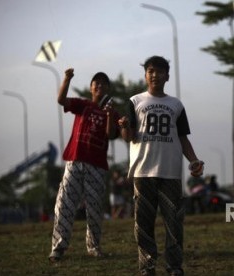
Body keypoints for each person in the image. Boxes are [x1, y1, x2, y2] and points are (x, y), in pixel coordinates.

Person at [119, 56, 203, 276]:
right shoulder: (135, 101)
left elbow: (182, 138)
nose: (154, 75)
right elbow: (129, 136)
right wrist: (125, 127)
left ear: (167, 75)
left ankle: (174, 267)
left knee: (174, 222)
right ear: (146, 75)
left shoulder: (176, 105)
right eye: (150, 71)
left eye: (159, 71)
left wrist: (193, 160)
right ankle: (147, 267)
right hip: (143, 171)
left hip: (170, 172)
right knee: (143, 224)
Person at [48, 68, 120, 262]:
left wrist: (110, 116)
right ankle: (58, 247)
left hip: (96, 165)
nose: (99, 86)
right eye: (96, 83)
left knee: (95, 208)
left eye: (104, 84)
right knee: (64, 204)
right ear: (91, 88)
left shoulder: (111, 111)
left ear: (108, 89)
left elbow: (111, 135)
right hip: (75, 160)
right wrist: (67, 79)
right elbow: (61, 100)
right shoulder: (83, 105)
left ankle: (94, 247)